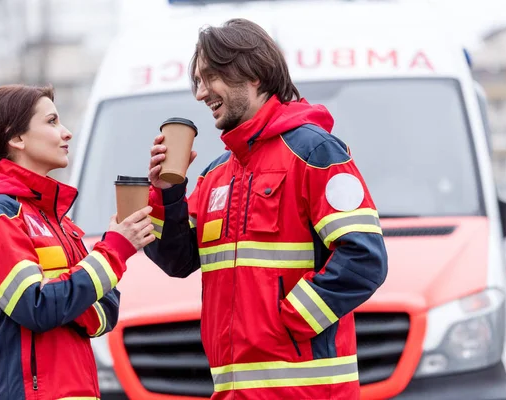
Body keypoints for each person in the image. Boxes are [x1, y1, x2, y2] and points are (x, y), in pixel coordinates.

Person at [145, 19, 388, 399]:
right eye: (197, 80)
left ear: (253, 74)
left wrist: (288, 323)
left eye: (211, 77)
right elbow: (177, 261)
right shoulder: (217, 173)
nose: (200, 93)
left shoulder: (316, 151)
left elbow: (364, 259)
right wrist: (168, 192)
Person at [0, 84, 155, 400]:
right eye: (52, 122)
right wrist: (114, 249)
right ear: (16, 138)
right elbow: (35, 306)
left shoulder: (57, 220)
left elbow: (106, 314)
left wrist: (65, 298)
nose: (67, 132)